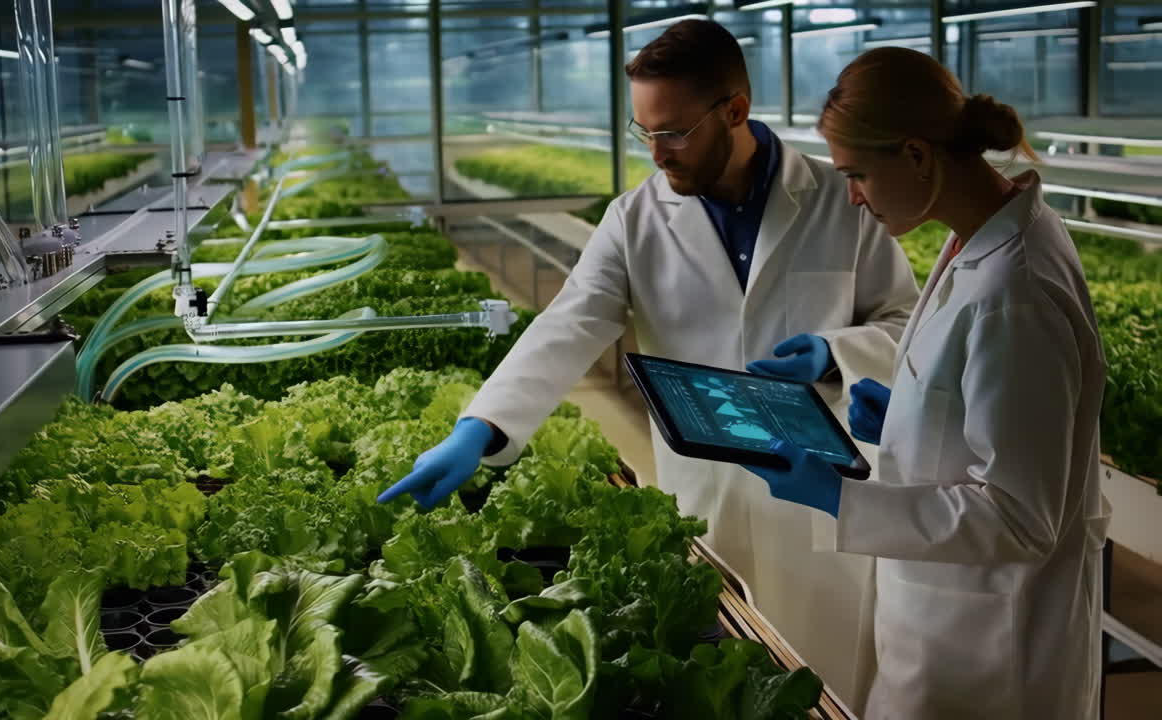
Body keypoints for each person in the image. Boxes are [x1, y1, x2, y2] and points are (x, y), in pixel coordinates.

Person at [379, 19, 920, 706]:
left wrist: (836, 352)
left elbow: (905, 323)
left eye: (674, 132)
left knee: (828, 686)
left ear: (735, 110)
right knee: (723, 686)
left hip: (822, 499)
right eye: (644, 131)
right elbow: (569, 324)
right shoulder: (634, 219)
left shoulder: (840, 200)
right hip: (707, 499)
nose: (658, 153)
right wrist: (480, 427)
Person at [743, 46, 1111, 719]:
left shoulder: (1014, 291)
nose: (853, 197)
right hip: (945, 624)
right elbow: (997, 413)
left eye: (857, 174)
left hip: (991, 651)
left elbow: (1020, 517)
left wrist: (840, 499)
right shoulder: (981, 237)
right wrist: (912, 418)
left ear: (916, 155)